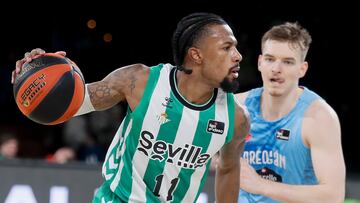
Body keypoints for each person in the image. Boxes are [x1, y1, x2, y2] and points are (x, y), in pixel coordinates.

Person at [12, 12, 250, 203]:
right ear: (196, 55)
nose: (238, 56)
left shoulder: (236, 118)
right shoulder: (138, 81)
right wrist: (38, 78)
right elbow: (68, 105)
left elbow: (229, 169)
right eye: (227, 47)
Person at [236, 22, 346, 202]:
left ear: (302, 69)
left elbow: (333, 196)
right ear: (260, 62)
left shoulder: (319, 117)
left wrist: (261, 185)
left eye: (287, 62)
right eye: (270, 59)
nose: (276, 69)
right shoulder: (237, 106)